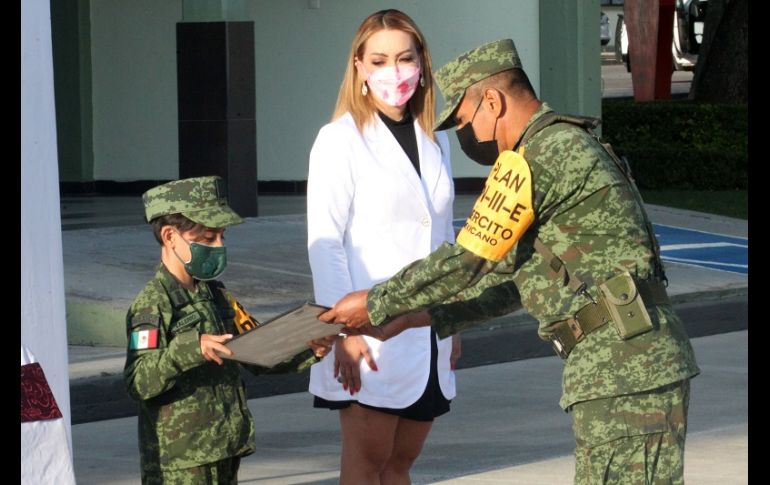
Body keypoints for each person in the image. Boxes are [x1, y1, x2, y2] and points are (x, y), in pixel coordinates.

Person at [322, 39, 700, 484]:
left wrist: (378, 301)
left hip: (623, 367)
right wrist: (413, 319)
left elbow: (467, 259)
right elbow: (513, 283)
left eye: (464, 120)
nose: (464, 135)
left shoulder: (537, 157)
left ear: (493, 102)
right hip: (628, 361)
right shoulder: (562, 145)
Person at [306, 9, 460, 484]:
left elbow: (446, 237)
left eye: (405, 58)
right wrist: (344, 331)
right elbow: (324, 242)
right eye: (380, 59)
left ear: (421, 63)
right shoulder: (339, 141)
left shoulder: (435, 140)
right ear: (359, 66)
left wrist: (454, 321)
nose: (395, 71)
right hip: (369, 333)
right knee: (367, 465)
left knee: (401, 464)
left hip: (428, 331)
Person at [123, 176, 332, 484]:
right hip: (180, 462)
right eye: (208, 239)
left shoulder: (217, 295)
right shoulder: (153, 304)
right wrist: (192, 349)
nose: (219, 246)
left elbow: (256, 349)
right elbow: (138, 382)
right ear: (170, 236)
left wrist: (309, 346)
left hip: (223, 446)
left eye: (221, 237)